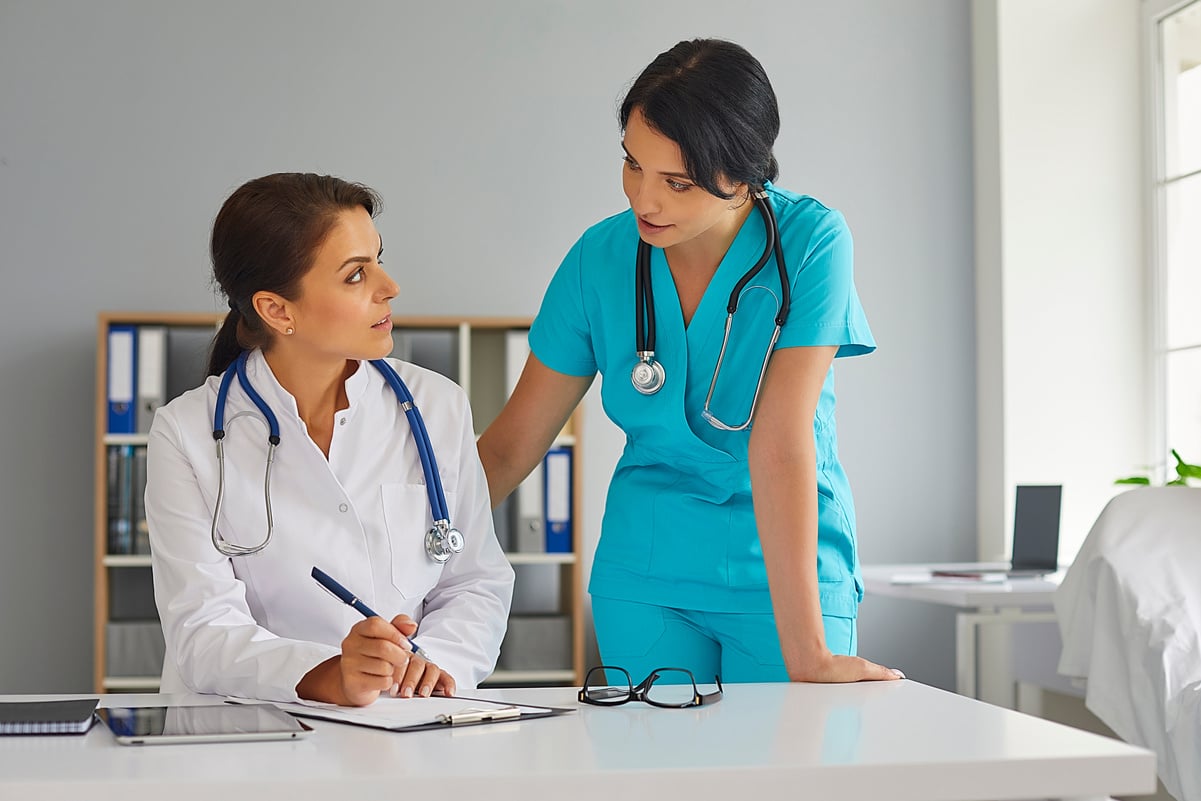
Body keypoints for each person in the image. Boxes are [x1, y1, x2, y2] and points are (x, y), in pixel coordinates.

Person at [477, 40, 902, 684]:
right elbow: (511, 447)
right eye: (631, 165)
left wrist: (810, 655)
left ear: (746, 176)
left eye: (676, 182)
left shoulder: (810, 242)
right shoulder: (600, 258)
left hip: (784, 578)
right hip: (646, 571)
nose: (644, 200)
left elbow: (781, 442)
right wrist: (405, 567)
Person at [146, 173, 514, 706]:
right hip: (251, 742)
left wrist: (432, 668)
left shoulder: (436, 406)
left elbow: (475, 581)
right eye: (355, 275)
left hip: (406, 723)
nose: (389, 287)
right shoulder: (187, 433)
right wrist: (332, 673)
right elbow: (202, 630)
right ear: (277, 310)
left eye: (379, 259)